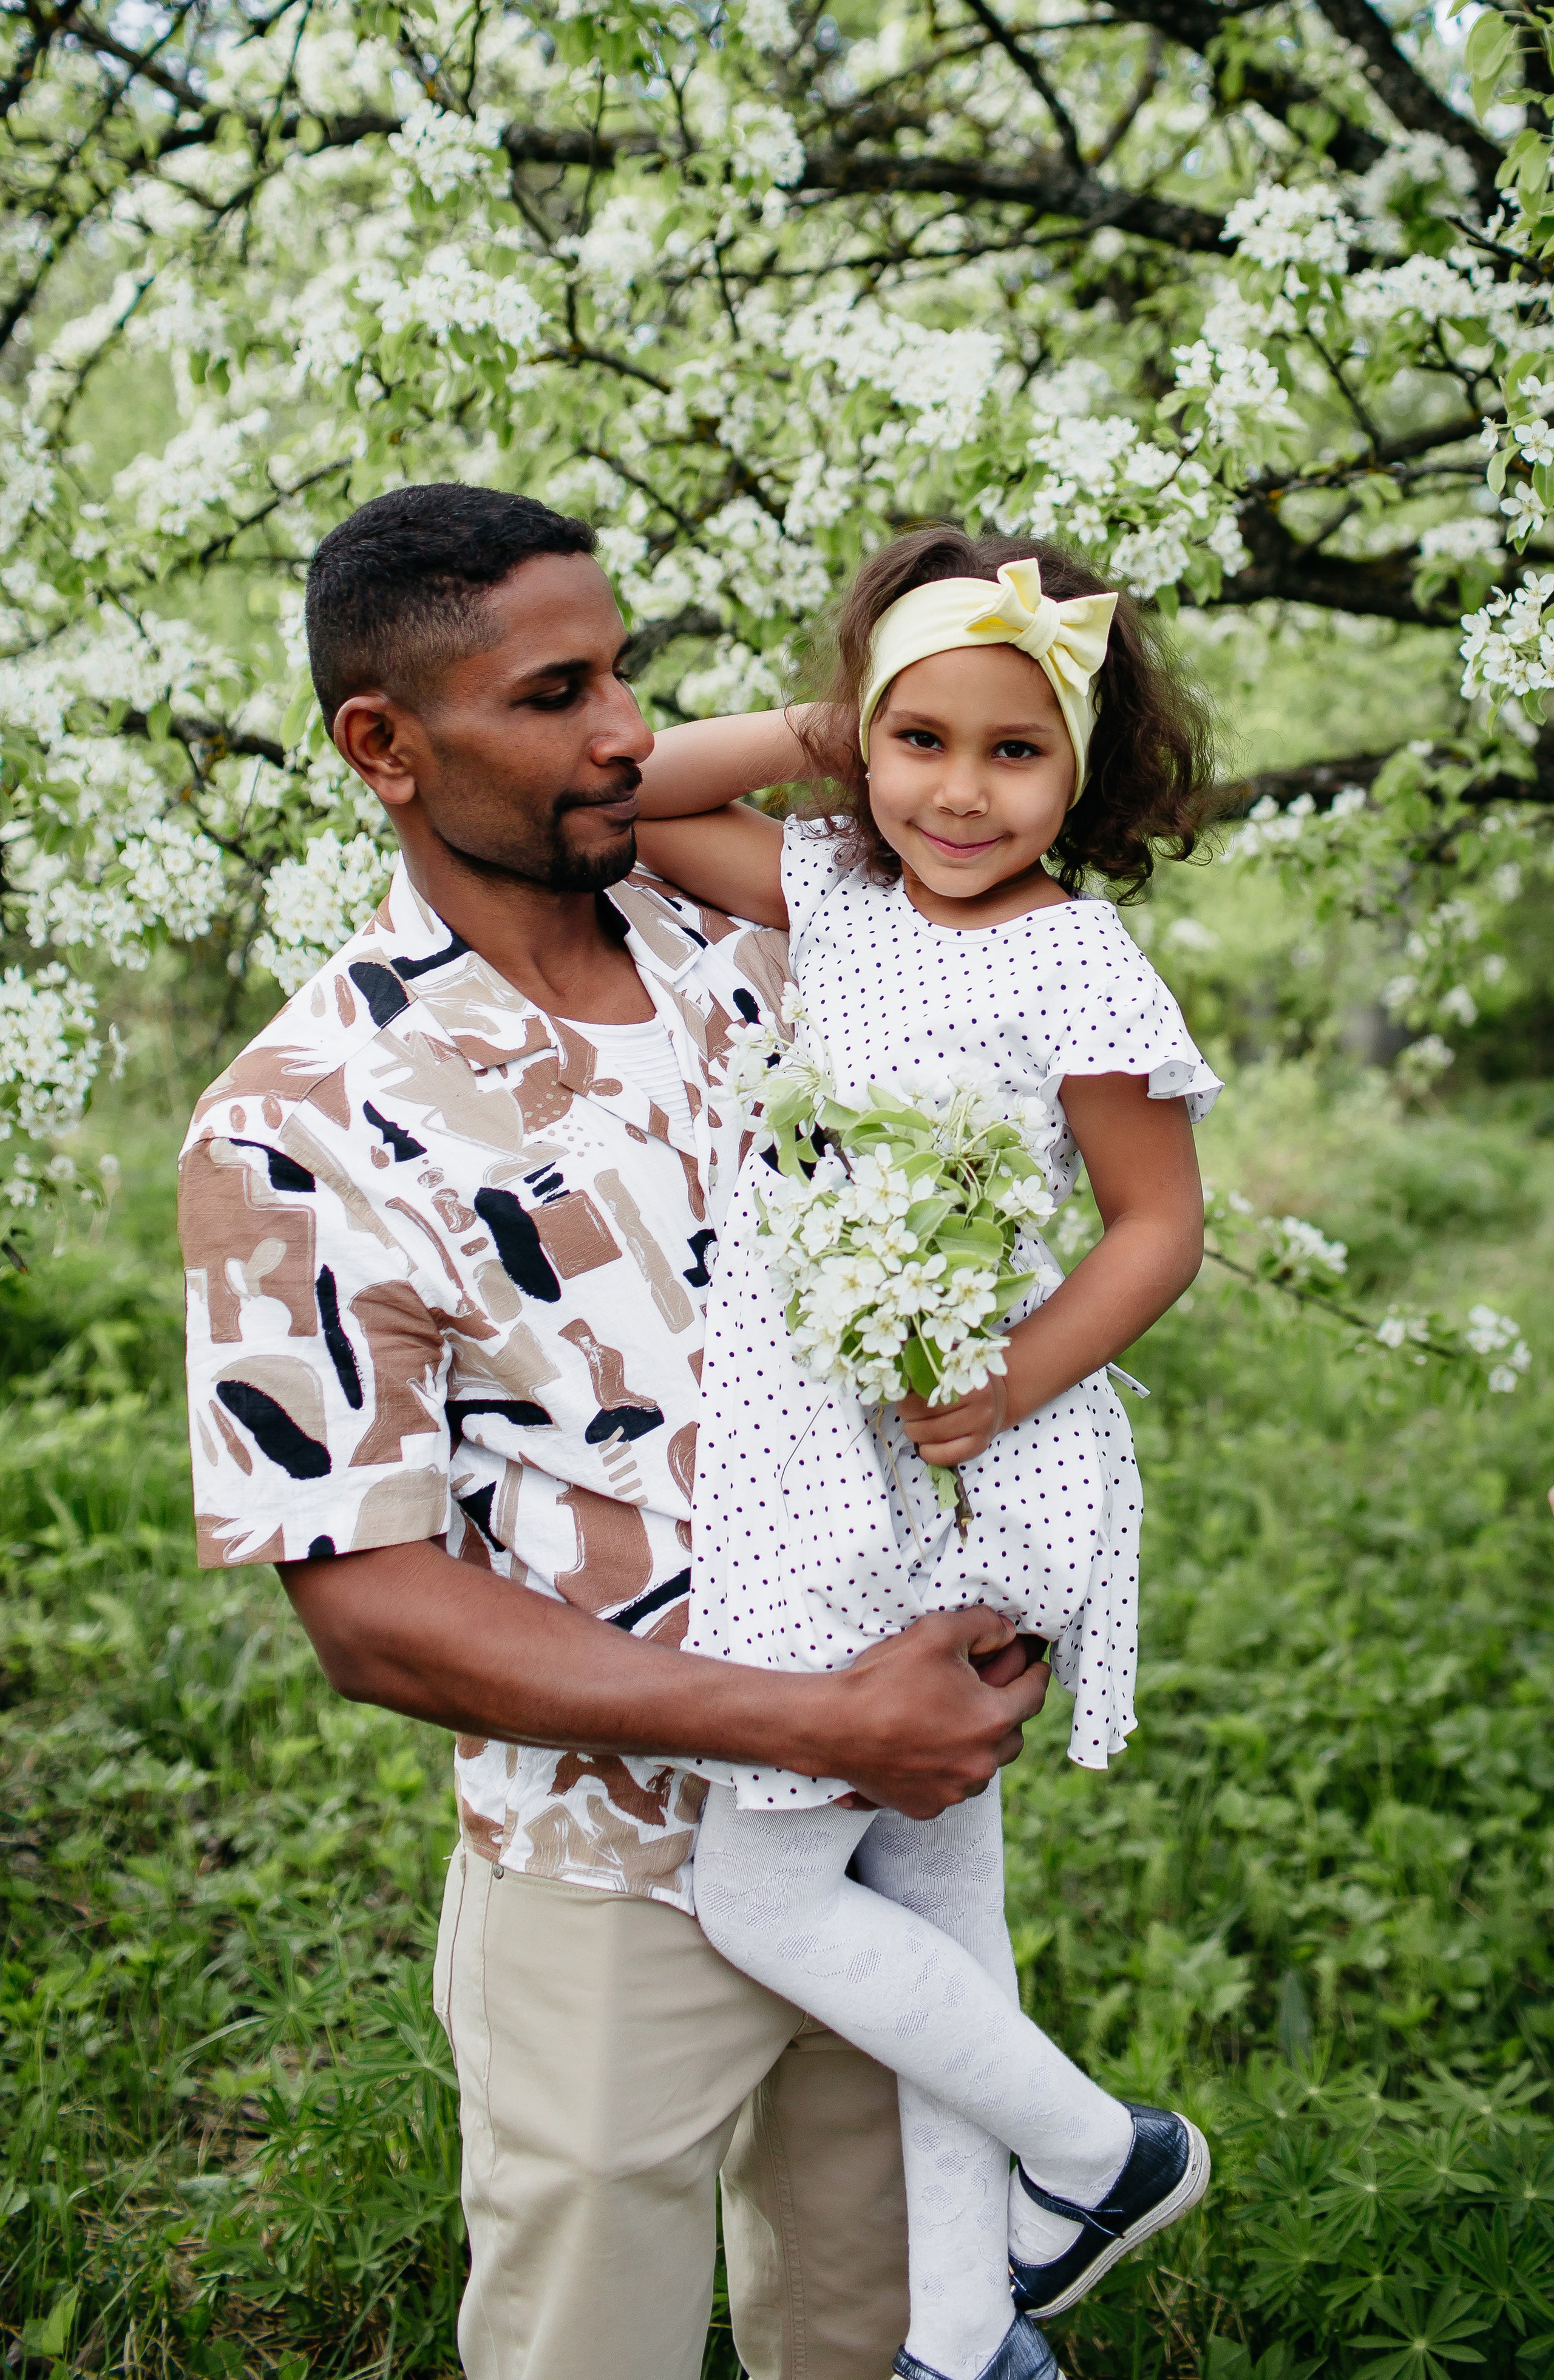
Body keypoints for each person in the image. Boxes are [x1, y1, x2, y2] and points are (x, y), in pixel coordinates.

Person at [176, 486, 1054, 2380]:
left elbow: (964, 830)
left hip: (885, 1838)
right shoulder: (299, 1124)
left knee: (881, 2332)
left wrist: (1001, 1596)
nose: (628, 731)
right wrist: (815, 1724)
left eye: (625, 673)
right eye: (554, 694)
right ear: (384, 747)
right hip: (606, 1881)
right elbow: (371, 1612)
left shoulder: (763, 944)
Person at [631, 528, 1223, 2380]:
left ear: (1084, 770)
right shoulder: (836, 887)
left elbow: (1158, 1226)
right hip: (835, 1455)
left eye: (1015, 751)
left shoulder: (1078, 958)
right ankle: (965, 2341)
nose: (962, 793)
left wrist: (1013, 1379)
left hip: (973, 1464)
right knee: (945, 1906)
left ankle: (1099, 2153)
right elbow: (640, 793)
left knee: (761, 1891)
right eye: (922, 741)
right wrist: (832, 722)